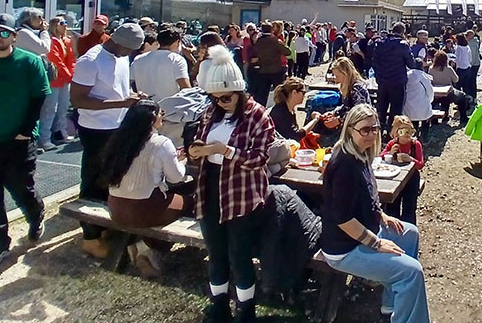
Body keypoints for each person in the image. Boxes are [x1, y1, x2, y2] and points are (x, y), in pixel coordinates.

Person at [320, 104, 430, 323]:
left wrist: (381, 215)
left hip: (365, 231)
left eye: (375, 128)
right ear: (350, 129)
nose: (371, 134)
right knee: (412, 272)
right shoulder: (344, 164)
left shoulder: (361, 155)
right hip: (344, 248)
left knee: (409, 233)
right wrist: (377, 243)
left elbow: (367, 197)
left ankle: (390, 304)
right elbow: (343, 219)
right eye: (365, 130)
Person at [189, 46, 275, 323]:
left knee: (239, 254)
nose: (220, 103)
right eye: (214, 99)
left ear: (239, 92)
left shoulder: (258, 115)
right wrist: (194, 150)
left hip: (242, 193)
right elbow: (201, 142)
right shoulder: (210, 113)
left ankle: (246, 308)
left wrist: (225, 151)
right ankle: (219, 303)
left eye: (225, 98)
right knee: (215, 251)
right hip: (210, 187)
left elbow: (260, 158)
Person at [70, 22, 146, 258]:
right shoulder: (90, 61)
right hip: (95, 128)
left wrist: (129, 98)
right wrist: (122, 103)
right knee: (93, 181)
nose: (130, 55)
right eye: (129, 50)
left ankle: (103, 226)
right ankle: (90, 237)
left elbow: (115, 90)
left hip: (116, 125)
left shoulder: (121, 56)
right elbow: (78, 100)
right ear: (118, 42)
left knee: (111, 178)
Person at [0, 16, 49, 270]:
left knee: (22, 188)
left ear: (14, 37)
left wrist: (25, 131)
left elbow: (39, 96)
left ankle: (36, 215)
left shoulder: (29, 61)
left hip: (19, 141)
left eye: (4, 33)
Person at [101, 100, 190, 277]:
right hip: (144, 209)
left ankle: (141, 246)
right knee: (191, 202)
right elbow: (177, 177)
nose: (162, 116)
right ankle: (150, 249)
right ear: (151, 120)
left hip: (116, 208)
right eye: (160, 113)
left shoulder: (119, 141)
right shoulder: (161, 143)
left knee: (169, 201)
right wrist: (182, 161)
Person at [39, 16, 76, 151]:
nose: (65, 25)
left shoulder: (66, 40)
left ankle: (60, 132)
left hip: (65, 80)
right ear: (55, 25)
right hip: (54, 80)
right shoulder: (52, 41)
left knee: (63, 107)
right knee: (50, 109)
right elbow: (56, 61)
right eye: (62, 23)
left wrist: (71, 74)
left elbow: (71, 59)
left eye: (66, 23)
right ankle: (44, 138)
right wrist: (68, 75)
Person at [381, 116, 424, 224]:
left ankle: (409, 229)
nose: (406, 135)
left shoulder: (415, 145)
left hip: (411, 179)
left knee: (409, 206)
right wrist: (390, 153)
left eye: (409, 132)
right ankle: (393, 230)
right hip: (395, 178)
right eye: (402, 132)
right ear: (396, 133)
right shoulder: (393, 143)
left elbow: (420, 164)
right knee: (392, 206)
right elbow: (382, 155)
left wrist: (411, 159)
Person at [372, 23, 415, 132]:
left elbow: (374, 61)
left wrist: (379, 74)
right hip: (397, 81)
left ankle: (378, 132)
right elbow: (411, 64)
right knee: (396, 110)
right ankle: (392, 134)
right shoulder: (403, 45)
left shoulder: (379, 43)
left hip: (382, 80)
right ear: (403, 32)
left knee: (381, 109)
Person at [130, 27, 191, 103]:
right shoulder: (177, 59)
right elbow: (186, 89)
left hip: (144, 107)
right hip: (170, 109)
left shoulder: (138, 59)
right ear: (177, 42)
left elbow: (128, 81)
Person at [269, 77, 321, 141]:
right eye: (303, 92)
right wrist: (315, 120)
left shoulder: (289, 109)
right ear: (294, 92)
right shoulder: (281, 112)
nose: (304, 96)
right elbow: (296, 135)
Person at [252, 23, 291, 105]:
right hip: (276, 70)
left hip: (263, 70)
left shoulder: (258, 41)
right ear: (271, 30)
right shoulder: (275, 40)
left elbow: (255, 53)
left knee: (262, 96)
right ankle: (281, 110)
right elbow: (288, 52)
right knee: (280, 93)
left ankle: (261, 112)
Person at [429, 50, 470, 122]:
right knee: (463, 97)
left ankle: (435, 120)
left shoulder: (431, 69)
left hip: (435, 93)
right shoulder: (448, 68)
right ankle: (463, 117)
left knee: (436, 100)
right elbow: (456, 79)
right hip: (449, 93)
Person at [330, 57, 372, 123]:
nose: (335, 79)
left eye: (337, 76)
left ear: (346, 74)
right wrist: (334, 113)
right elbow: (347, 106)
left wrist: (340, 120)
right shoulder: (349, 86)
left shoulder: (357, 88)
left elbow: (360, 112)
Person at [402, 65, 434, 140]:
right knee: (425, 121)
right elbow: (430, 92)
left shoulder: (406, 76)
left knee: (413, 123)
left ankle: (413, 138)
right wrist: (429, 101)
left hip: (409, 108)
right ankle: (424, 138)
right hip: (423, 107)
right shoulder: (424, 77)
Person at [454, 33, 473, 97]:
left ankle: (459, 100)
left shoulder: (458, 48)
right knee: (466, 86)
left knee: (458, 86)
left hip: (460, 68)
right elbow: (470, 58)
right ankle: (467, 100)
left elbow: (457, 58)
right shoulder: (467, 47)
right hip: (467, 67)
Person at [466, 30, 482, 100]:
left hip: (473, 64)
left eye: (467, 35)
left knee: (471, 81)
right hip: (476, 63)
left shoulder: (472, 44)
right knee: (472, 80)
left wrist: (470, 65)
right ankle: (473, 96)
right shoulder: (474, 42)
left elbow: (472, 55)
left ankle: (472, 96)